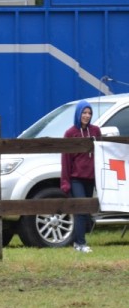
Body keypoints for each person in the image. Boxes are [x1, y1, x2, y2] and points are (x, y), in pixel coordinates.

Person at [60, 100, 101, 253]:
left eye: (89, 113)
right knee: (81, 209)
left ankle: (79, 242)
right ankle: (80, 243)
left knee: (87, 210)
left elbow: (101, 154)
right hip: (76, 178)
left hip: (90, 178)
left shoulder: (96, 131)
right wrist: (65, 182)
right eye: (84, 112)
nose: (87, 116)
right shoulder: (70, 133)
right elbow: (65, 160)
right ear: (78, 114)